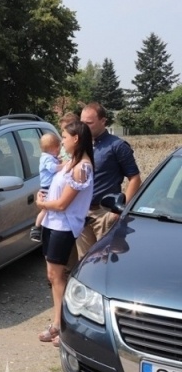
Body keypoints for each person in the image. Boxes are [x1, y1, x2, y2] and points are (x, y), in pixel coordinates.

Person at [35, 120, 94, 347]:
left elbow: (62, 204)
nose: (62, 141)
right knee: (52, 276)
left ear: (76, 139)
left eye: (65, 137)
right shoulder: (70, 163)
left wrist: (43, 205)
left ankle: (63, 325)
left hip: (63, 225)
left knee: (58, 276)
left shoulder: (82, 168)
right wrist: (45, 203)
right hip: (53, 224)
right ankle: (58, 323)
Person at [76, 102, 141, 260]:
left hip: (105, 213)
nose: (84, 127)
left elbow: (135, 178)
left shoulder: (117, 146)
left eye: (89, 123)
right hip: (82, 212)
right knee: (84, 262)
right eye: (82, 123)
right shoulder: (81, 145)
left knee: (105, 262)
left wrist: (120, 210)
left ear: (103, 121)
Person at [30, 133, 62, 242]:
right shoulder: (47, 159)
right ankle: (36, 229)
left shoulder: (48, 156)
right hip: (47, 188)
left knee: (47, 209)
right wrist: (63, 166)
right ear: (55, 148)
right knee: (45, 210)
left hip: (47, 187)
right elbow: (52, 168)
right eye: (58, 148)